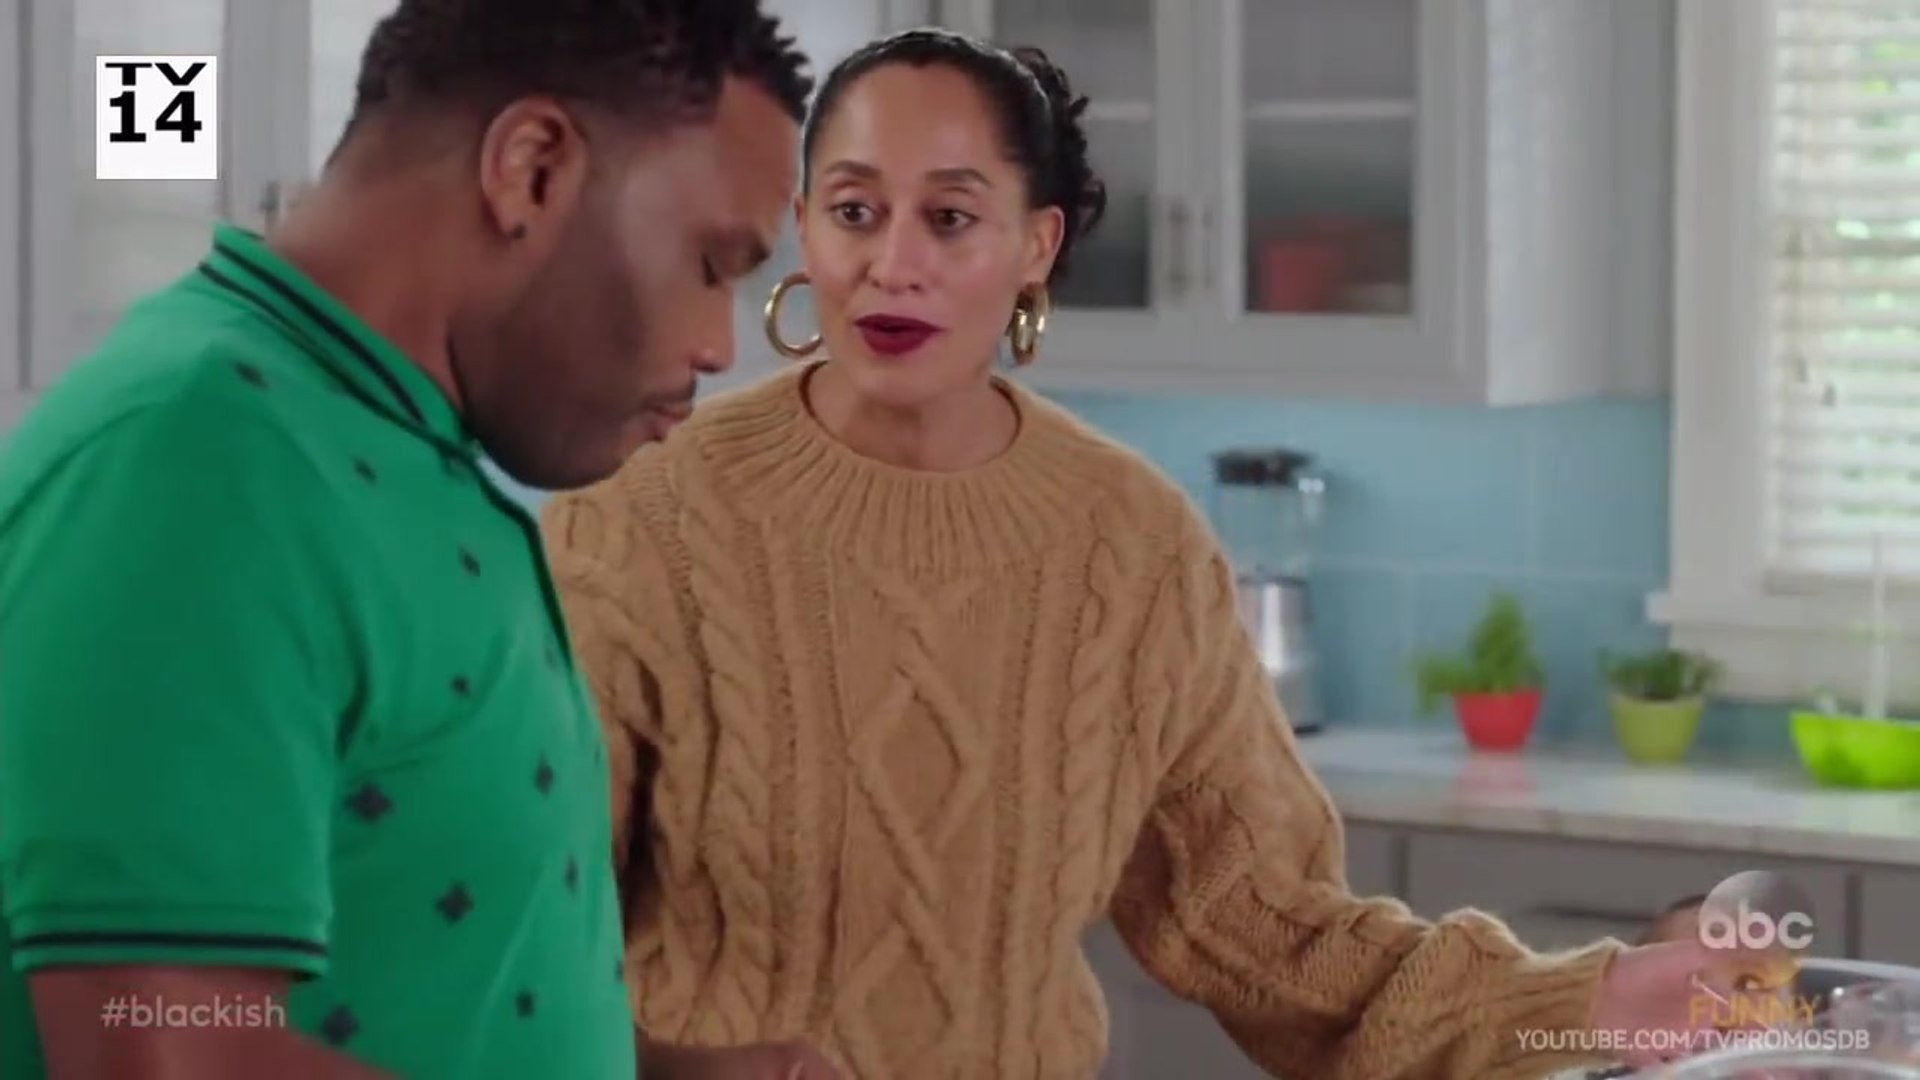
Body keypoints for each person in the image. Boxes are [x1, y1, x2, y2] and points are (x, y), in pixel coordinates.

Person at [539, 26, 1747, 1080]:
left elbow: (1279, 940)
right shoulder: (648, 520)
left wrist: (1591, 1001)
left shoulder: (1131, 546)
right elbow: (510, 940)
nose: (892, 263)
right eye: (854, 211)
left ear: (1037, 244)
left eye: (950, 218)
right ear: (804, 227)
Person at [0, 2, 836, 1078]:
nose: (720, 345)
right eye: (713, 264)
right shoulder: (199, 464)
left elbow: (434, 971)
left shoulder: (391, 451)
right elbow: (159, 1046)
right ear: (532, 169)